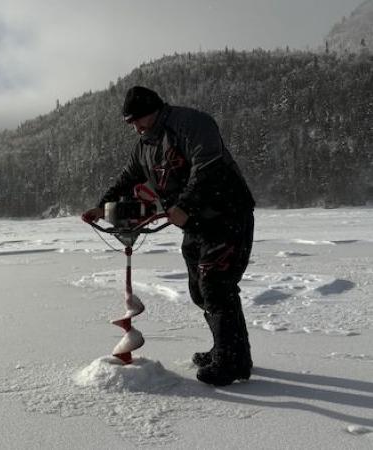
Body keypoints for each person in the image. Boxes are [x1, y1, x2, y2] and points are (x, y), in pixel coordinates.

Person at [83, 86, 255, 386]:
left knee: (215, 284)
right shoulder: (144, 145)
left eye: (138, 119)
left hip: (227, 215)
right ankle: (230, 350)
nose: (135, 127)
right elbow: (129, 177)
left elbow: (209, 165)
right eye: (130, 123)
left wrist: (184, 205)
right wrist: (102, 205)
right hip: (196, 224)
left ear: (154, 109)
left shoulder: (191, 124)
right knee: (201, 290)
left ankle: (231, 360)